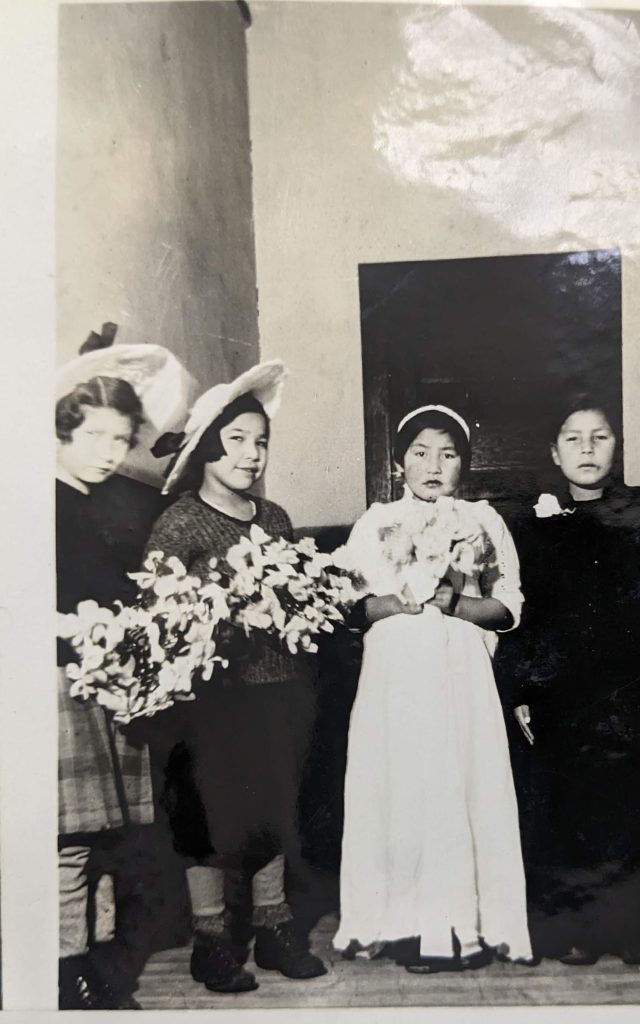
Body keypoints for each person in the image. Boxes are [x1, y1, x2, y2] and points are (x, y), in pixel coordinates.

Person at [145, 360, 326, 994]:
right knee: (208, 818)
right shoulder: (179, 523)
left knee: (274, 807)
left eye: (261, 440)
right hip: (209, 702)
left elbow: (298, 602)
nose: (252, 454)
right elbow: (160, 621)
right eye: (237, 441)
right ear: (205, 448)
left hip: (278, 690)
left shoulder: (273, 519)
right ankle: (212, 941)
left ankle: (275, 930)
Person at [333, 405, 532, 973]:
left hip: (459, 666)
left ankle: (465, 924)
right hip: (395, 669)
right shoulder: (374, 522)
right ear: (400, 462)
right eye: (420, 452)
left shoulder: (484, 522)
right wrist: (396, 602)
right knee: (401, 780)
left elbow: (508, 605)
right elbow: (350, 606)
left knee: (460, 779)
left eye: (448, 454)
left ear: (464, 465)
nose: (433, 465)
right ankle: (400, 924)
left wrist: (458, 603)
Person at [496, 395, 640, 967]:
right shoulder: (533, 525)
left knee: (632, 803)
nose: (586, 448)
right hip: (561, 687)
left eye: (599, 436)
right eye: (573, 438)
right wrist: (525, 690)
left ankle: (635, 927)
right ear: (555, 453)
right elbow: (525, 616)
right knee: (566, 805)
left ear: (616, 446)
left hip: (630, 687)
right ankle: (578, 928)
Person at [56, 340, 185, 1010]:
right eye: (95, 436)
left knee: (105, 837)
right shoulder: (32, 500)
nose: (110, 451)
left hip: (107, 680)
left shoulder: (113, 504)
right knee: (68, 839)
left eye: (121, 438)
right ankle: (65, 970)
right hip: (58, 683)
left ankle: (97, 964)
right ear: (61, 429)